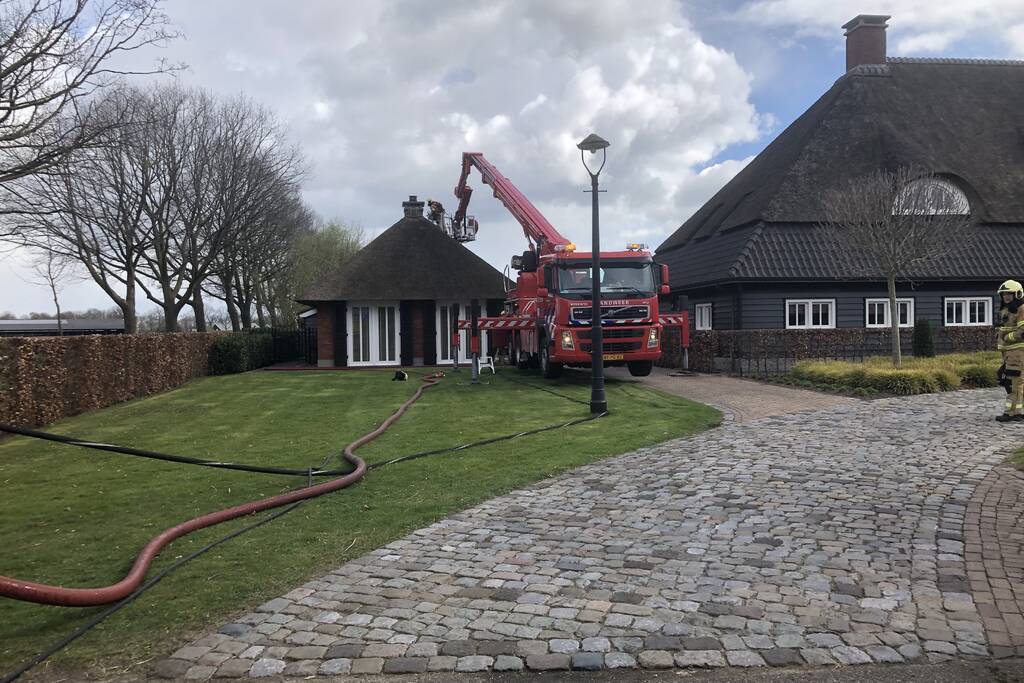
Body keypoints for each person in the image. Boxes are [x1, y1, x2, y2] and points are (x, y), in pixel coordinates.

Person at [996, 280, 1024, 422]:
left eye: (1009, 294)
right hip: (1008, 353)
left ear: (1017, 294)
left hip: (1017, 352)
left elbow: (1022, 331)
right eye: (1004, 294)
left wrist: (1007, 337)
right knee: (1009, 381)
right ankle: (1015, 412)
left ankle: (1012, 413)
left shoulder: (1021, 309)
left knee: (1014, 382)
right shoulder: (1005, 310)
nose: (1006, 296)